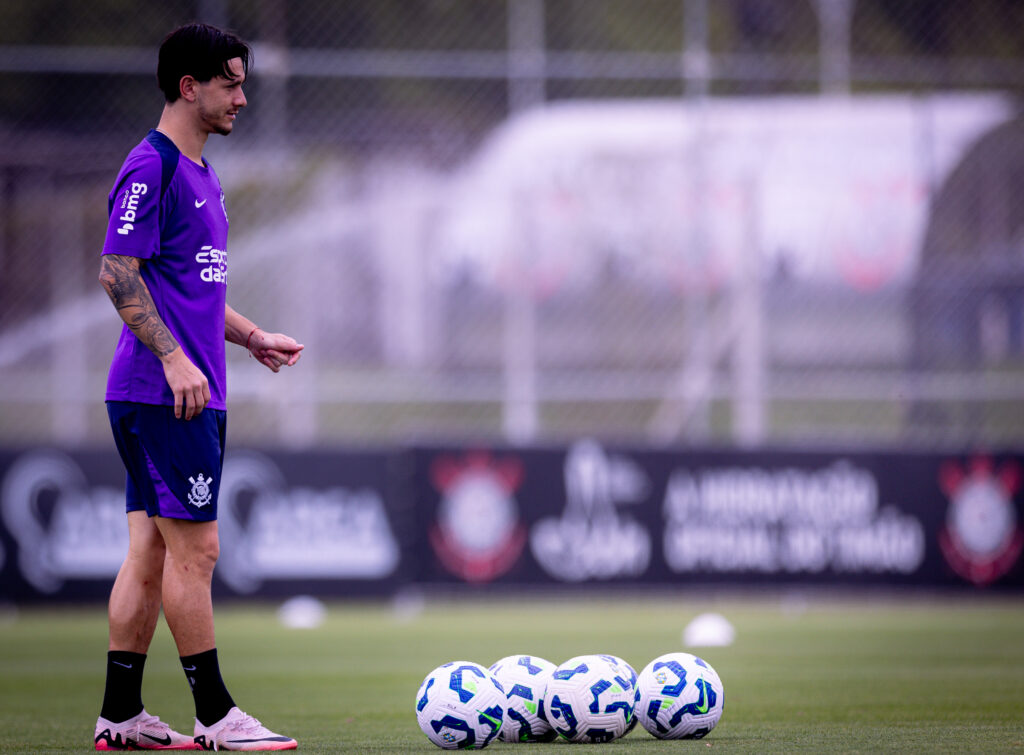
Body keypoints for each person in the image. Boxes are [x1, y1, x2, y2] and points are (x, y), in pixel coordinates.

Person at [94, 23, 302, 752]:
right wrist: (177, 358)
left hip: (183, 388)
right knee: (198, 551)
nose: (242, 97)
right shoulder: (150, 166)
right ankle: (215, 715)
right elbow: (118, 271)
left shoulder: (201, 172)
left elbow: (190, 287)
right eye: (231, 83)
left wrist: (249, 337)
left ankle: (120, 717)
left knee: (150, 553)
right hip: (163, 391)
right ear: (190, 87)